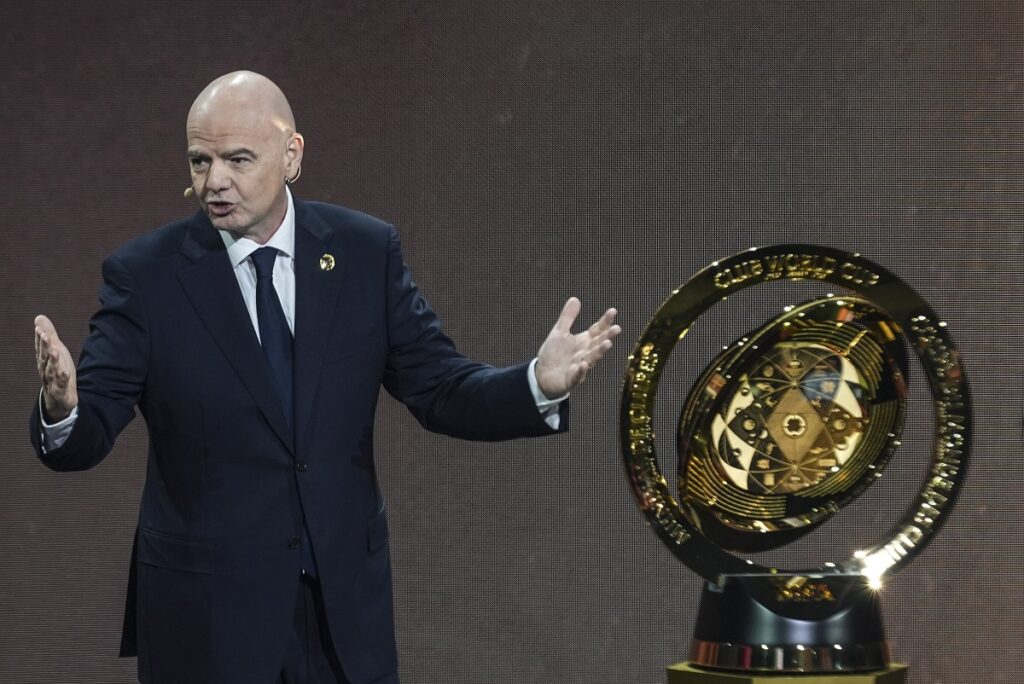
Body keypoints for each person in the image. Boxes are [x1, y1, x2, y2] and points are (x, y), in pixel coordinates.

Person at [30, 71, 620, 684]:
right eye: (199, 161)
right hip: (207, 620)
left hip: (341, 617)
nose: (214, 181)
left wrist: (536, 385)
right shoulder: (146, 275)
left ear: (292, 156)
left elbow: (440, 388)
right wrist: (63, 404)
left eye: (237, 159)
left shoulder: (364, 252)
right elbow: (86, 433)